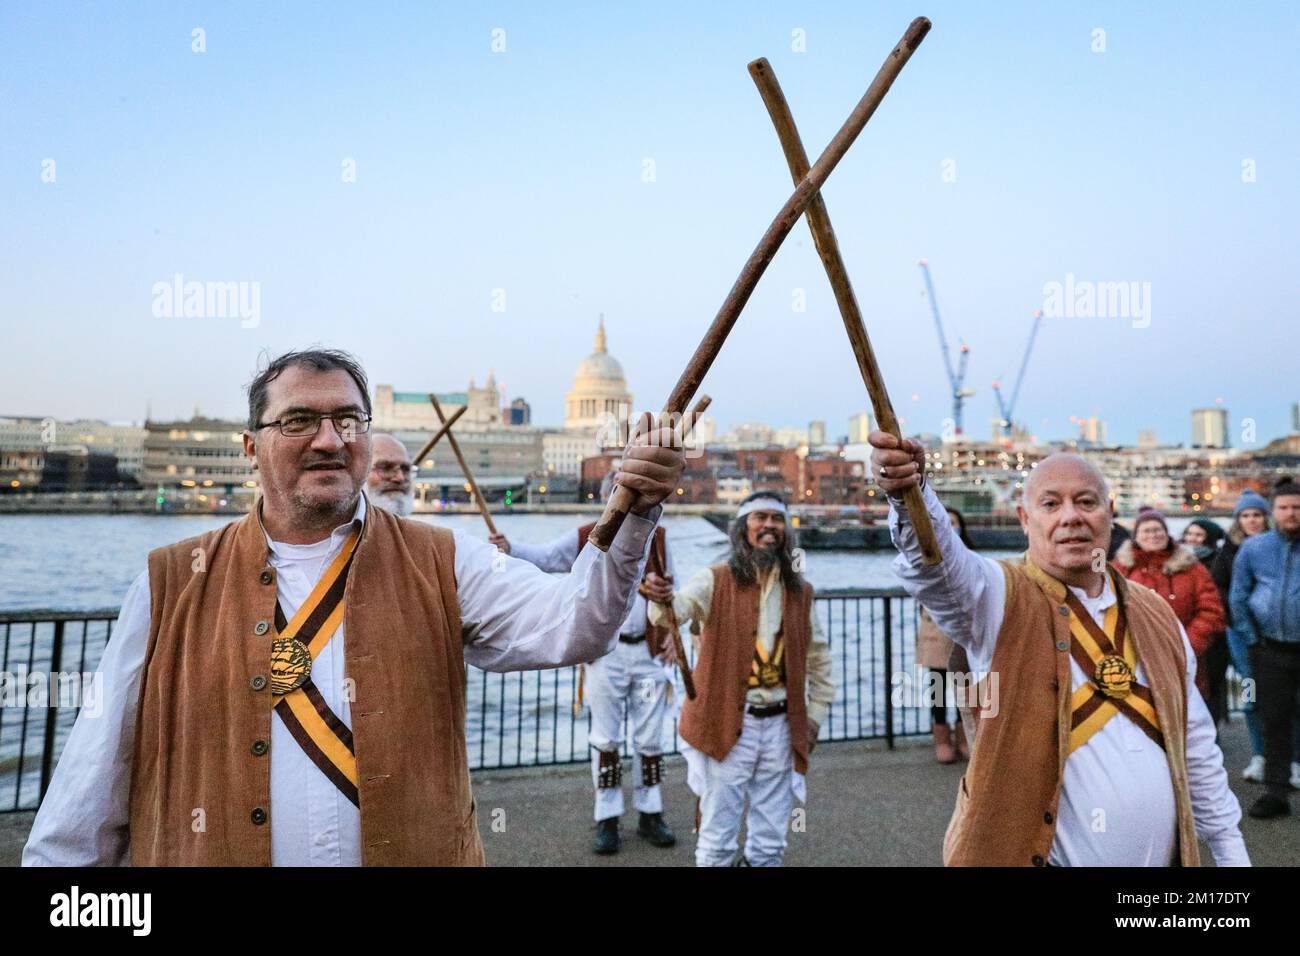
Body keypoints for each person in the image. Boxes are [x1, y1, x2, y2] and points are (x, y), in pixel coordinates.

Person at [23, 348, 685, 866]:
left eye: (348, 420)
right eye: (298, 421)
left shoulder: (444, 558)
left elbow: (577, 624)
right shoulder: (169, 582)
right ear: (251, 448)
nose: (329, 439)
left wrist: (634, 513)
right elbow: (89, 790)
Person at [870, 430, 1247, 866]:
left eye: (1085, 502)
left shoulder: (1157, 614)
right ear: (1024, 519)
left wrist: (1230, 850)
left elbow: (1194, 742)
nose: (1070, 517)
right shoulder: (995, 598)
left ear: (1110, 513)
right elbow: (935, 565)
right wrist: (910, 494)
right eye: (1050, 504)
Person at [490, 474, 679, 855]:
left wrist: (671, 615)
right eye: (624, 493)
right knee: (605, 737)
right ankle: (607, 816)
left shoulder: (658, 537)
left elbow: (670, 587)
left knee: (650, 737)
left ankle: (650, 811)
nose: (629, 501)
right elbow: (544, 558)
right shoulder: (587, 536)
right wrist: (508, 548)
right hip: (604, 656)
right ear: (612, 496)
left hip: (648, 652)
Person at [645, 491, 835, 866]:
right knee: (717, 836)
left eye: (776, 519)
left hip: (783, 726)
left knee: (770, 840)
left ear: (786, 530)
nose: (768, 526)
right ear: (742, 529)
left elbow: (820, 660)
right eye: (759, 518)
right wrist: (662, 596)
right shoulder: (715, 579)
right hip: (730, 723)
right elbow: (671, 614)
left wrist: (814, 716)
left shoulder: (802, 592)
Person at [1229, 480, 1300, 819]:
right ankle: (1276, 792)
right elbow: (1238, 597)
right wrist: (1253, 640)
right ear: (1274, 511)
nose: (1291, 513)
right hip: (1270, 650)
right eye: (1285, 507)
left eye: (1297, 507)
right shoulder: (1255, 548)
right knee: (1275, 722)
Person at [1113, 508, 1225, 709]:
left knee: (1188, 713)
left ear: (1167, 533)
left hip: (1184, 658)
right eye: (1146, 531)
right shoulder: (1121, 568)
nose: (1153, 535)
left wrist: (1187, 644)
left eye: (1158, 530)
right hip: (1136, 658)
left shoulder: (1192, 568)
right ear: (1136, 537)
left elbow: (1211, 610)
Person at [1212, 488, 1285, 781]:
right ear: (1238, 519)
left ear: (1265, 517)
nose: (1251, 520)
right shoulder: (1228, 550)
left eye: (1256, 514)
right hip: (1241, 637)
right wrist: (1241, 617)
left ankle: (1291, 758)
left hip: (1279, 636)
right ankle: (1259, 754)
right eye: (1245, 515)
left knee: (1286, 696)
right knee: (1250, 693)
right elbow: (1219, 591)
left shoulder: (1283, 546)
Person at [916, 507, 974, 763]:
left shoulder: (970, 557)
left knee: (965, 687)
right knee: (938, 687)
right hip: (937, 629)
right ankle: (942, 738)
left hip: (965, 631)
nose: (951, 527)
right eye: (946, 523)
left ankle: (964, 737)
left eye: (954, 522)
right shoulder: (927, 556)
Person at [1181, 518, 1229, 726]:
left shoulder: (1218, 561)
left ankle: (1213, 729)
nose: (1192, 539)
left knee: (1213, 687)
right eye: (1189, 534)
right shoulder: (1178, 560)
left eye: (1198, 535)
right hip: (1186, 635)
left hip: (1213, 637)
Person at [365, 432, 416, 516]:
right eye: (385, 467)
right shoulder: (339, 528)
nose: (400, 478)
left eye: (406, 469)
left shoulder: (419, 529)